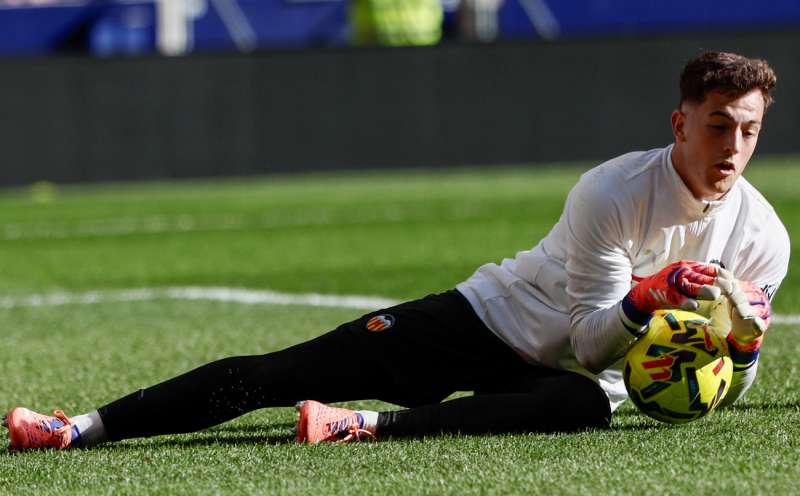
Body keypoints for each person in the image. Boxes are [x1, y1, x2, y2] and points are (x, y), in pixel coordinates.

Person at [3, 51, 788, 451]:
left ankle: (363, 426)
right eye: (718, 123)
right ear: (680, 123)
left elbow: (716, 381)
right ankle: (79, 429)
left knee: (584, 405)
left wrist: (746, 350)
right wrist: (645, 298)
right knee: (286, 371)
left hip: (561, 375)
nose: (734, 144)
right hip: (487, 318)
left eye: (749, 128)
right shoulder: (612, 191)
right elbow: (591, 333)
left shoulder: (764, 237)